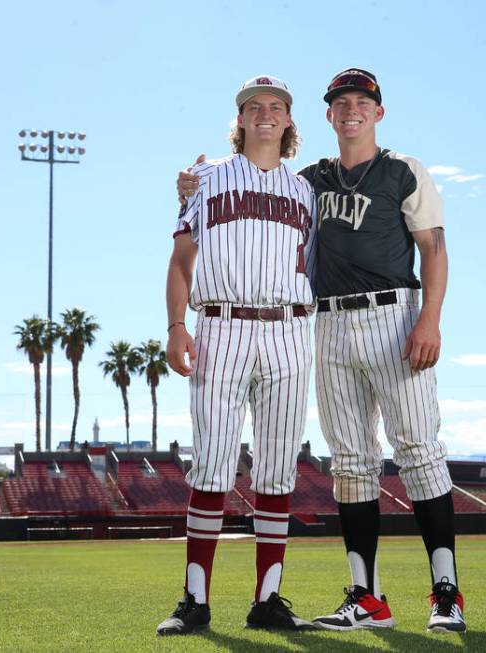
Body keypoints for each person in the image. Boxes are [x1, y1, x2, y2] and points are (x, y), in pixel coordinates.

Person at [176, 68, 466, 634]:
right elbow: (250, 185)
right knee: (352, 463)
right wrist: (192, 184)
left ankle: (446, 594)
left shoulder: (404, 170)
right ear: (327, 115)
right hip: (327, 323)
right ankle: (367, 598)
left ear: (377, 112)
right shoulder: (309, 180)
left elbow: (433, 246)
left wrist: (430, 318)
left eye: (362, 101)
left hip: (395, 316)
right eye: (340, 103)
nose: (351, 110)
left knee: (418, 451)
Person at [157, 75, 317, 636]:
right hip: (219, 324)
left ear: (289, 121)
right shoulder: (204, 179)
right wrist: (177, 326)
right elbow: (181, 259)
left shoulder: (307, 192)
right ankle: (195, 600)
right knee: (213, 465)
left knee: (277, 470)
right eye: (255, 107)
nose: (266, 114)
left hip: (290, 329)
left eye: (277, 107)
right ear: (241, 119)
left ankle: (267, 600)